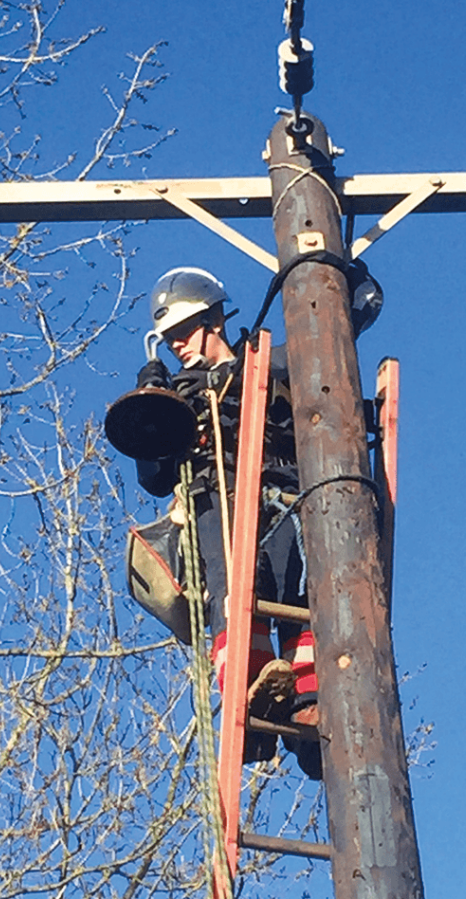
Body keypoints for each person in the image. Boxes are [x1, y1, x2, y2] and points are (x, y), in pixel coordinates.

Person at [130, 266, 321, 780]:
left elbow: (330, 349)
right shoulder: (180, 399)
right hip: (217, 497)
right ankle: (249, 702)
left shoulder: (273, 365)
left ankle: (307, 703)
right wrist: (154, 404)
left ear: (215, 319)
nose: (177, 347)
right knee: (232, 589)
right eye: (168, 341)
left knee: (295, 593)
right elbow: (152, 474)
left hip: (284, 492)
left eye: (184, 333)